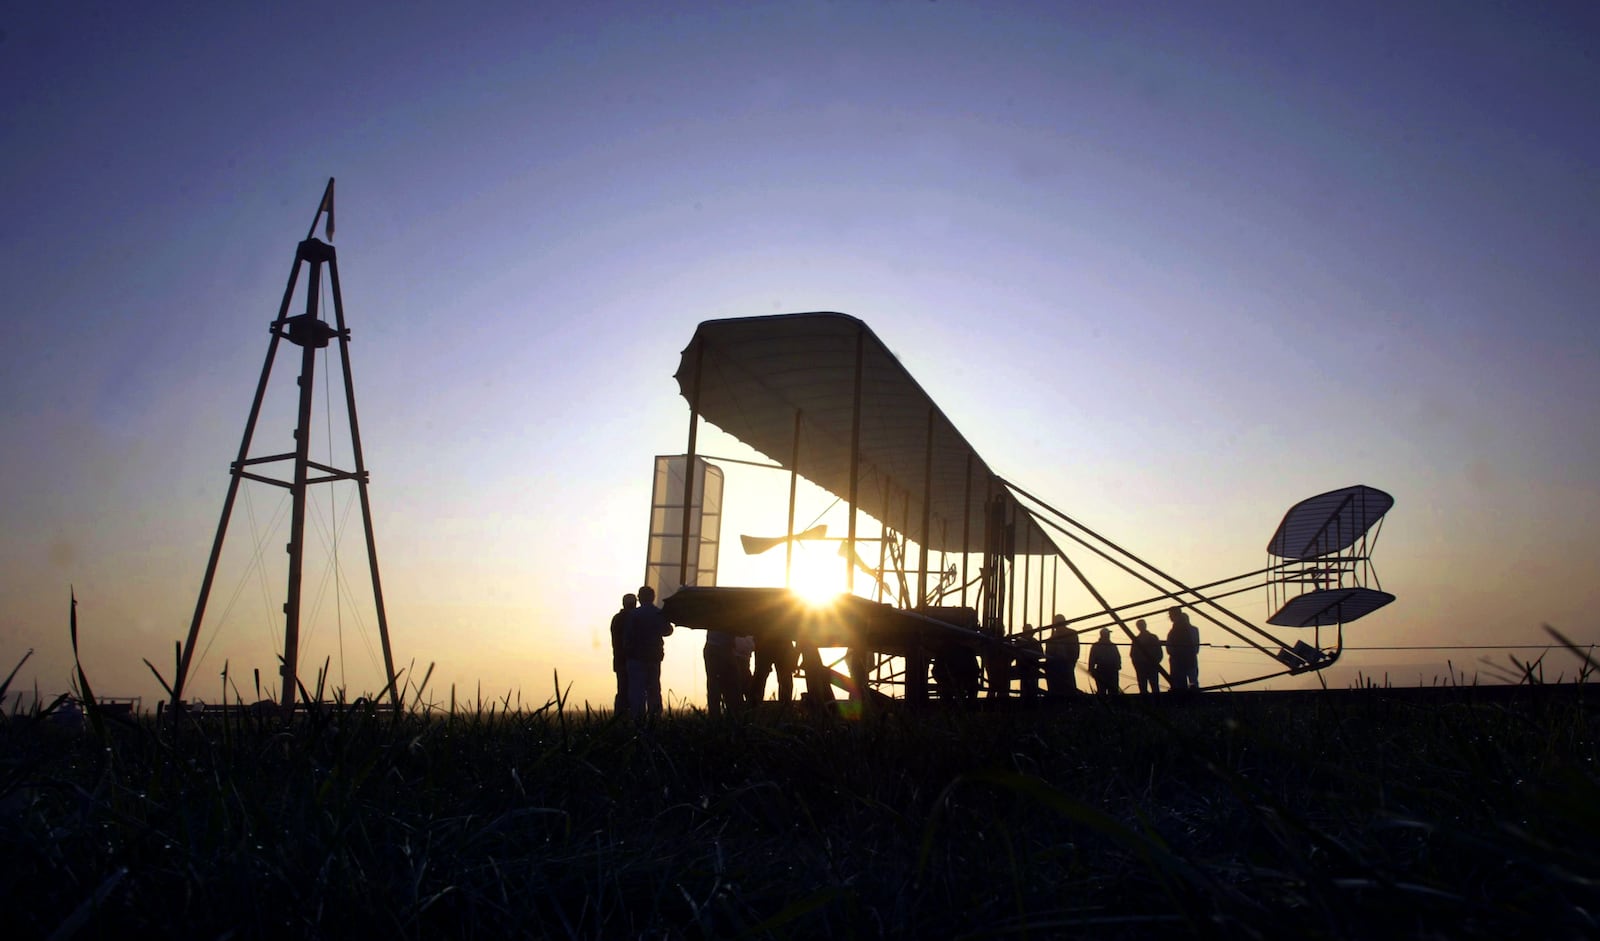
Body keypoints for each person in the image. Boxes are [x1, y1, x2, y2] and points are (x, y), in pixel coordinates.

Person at [625, 585, 673, 718]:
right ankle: (655, 717)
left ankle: (638, 718)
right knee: (654, 689)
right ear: (653, 597)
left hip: (636, 657)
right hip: (654, 656)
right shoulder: (658, 613)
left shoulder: (634, 615)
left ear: (640, 598)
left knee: (637, 690)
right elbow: (667, 630)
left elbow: (628, 636)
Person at [750, 632, 799, 705]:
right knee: (761, 677)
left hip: (774, 642)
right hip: (773, 641)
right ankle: (754, 705)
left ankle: (754, 706)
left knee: (761, 677)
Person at [608, 593, 637, 713]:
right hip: (633, 659)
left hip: (619, 660)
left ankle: (620, 716)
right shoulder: (633, 618)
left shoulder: (617, 619)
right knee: (634, 690)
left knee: (622, 690)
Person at [703, 630, 741, 717]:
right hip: (720, 648)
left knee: (715, 687)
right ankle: (729, 717)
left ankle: (718, 718)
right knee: (724, 687)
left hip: (719, 647)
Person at [1043, 614, 1080, 696]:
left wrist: (1071, 661)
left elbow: (1075, 652)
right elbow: (1048, 654)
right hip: (1057, 667)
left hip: (1066, 666)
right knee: (1060, 690)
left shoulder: (1071, 634)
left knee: (1067, 689)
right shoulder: (1052, 638)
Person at [1166, 607, 1200, 692]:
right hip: (1185, 659)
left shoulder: (1175, 631)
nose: (1170, 618)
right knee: (1189, 681)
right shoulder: (1173, 631)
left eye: (1171, 615)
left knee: (1185, 682)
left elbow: (1169, 647)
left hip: (1183, 659)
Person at [1130, 618, 1164, 695]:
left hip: (1149, 666)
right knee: (1146, 687)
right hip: (1143, 666)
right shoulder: (1138, 639)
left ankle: (1153, 703)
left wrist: (1156, 662)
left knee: (1152, 686)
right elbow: (1133, 655)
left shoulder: (1151, 638)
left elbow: (1159, 652)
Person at [1087, 628, 1121, 695]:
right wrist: (1091, 669)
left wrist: (1091, 669)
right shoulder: (1111, 646)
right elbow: (1092, 659)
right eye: (1107, 634)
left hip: (1109, 670)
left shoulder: (1097, 646)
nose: (1108, 635)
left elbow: (1092, 659)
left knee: (1110, 691)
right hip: (1105, 670)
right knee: (1105, 691)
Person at [1015, 625, 1044, 702]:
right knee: (1028, 687)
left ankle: (1029, 703)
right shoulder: (1020, 641)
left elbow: (1040, 654)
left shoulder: (1023, 641)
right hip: (1025, 668)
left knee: (1030, 687)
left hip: (1031, 668)